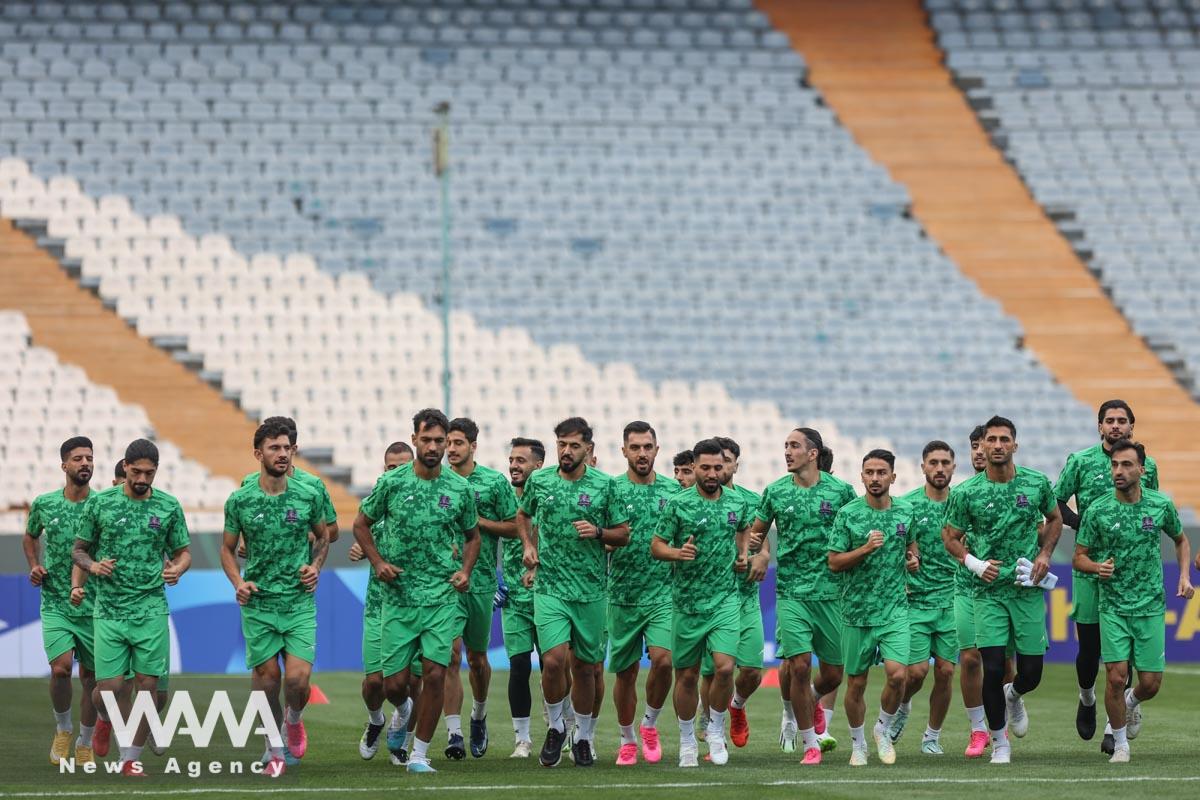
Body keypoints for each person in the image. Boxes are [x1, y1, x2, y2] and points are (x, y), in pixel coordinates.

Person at [352, 409, 481, 774]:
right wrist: (378, 562)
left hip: (441, 597)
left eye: (440, 441)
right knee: (394, 685)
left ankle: (421, 755)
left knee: (435, 674)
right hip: (397, 597)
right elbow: (361, 523)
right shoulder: (392, 484)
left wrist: (465, 570)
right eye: (427, 440)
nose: (434, 446)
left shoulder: (460, 489)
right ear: (415, 440)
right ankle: (402, 712)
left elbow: (473, 537)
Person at [943, 416, 1063, 765]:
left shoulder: (1036, 483)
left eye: (1004, 439)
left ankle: (1015, 695)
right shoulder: (967, 492)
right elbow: (949, 536)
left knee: (1031, 673)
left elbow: (1054, 519)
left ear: (1015, 445)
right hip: (988, 593)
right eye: (990, 440)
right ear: (981, 446)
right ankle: (999, 744)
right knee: (992, 667)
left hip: (1025, 590)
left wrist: (1044, 554)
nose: (997, 445)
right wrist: (974, 563)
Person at [72, 439, 191, 776]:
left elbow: (183, 552)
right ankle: (107, 719)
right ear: (124, 466)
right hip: (108, 610)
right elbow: (79, 550)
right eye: (136, 471)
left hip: (150, 607)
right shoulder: (100, 504)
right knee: (107, 690)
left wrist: (177, 568)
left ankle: (130, 758)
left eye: (149, 473)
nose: (142, 478)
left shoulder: (168, 507)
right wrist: (92, 566)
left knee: (149, 686)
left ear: (156, 471)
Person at [517, 417, 630, 767]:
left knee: (585, 667)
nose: (566, 451)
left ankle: (582, 734)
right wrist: (528, 546)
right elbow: (523, 516)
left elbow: (623, 534)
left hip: (592, 591)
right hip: (550, 587)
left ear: (589, 449)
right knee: (552, 661)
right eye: (562, 445)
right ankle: (555, 726)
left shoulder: (606, 486)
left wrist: (598, 532)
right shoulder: (540, 480)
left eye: (574, 445)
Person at [220, 421, 330, 777]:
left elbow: (324, 536)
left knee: (297, 681)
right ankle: (273, 745)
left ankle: (293, 719)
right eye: (274, 448)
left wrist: (315, 565)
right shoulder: (240, 499)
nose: (282, 453)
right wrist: (238, 581)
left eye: (287, 448)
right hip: (259, 603)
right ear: (258, 454)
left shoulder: (308, 494)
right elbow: (226, 548)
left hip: (298, 602)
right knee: (267, 679)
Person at [1072, 439, 1192, 763]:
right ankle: (1121, 744)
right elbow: (1078, 558)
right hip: (1112, 606)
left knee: (1150, 683)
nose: (1119, 471)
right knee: (1114, 674)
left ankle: (1131, 701)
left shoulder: (1160, 505)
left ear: (1142, 469)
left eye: (1126, 465)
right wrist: (1097, 567)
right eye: (1114, 465)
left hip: (1151, 604)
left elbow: (1181, 541)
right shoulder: (1097, 510)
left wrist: (1184, 576)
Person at [1054, 400, 1159, 751]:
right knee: (1090, 648)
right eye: (1109, 421)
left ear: (1132, 426)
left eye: (1121, 421)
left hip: (1129, 576)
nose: (1115, 426)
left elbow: (1154, 509)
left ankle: (1115, 729)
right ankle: (1086, 697)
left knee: (1121, 657)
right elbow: (1054, 503)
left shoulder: (1148, 466)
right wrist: (1079, 522)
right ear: (1100, 427)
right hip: (1089, 570)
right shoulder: (1081, 462)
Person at [750, 428, 856, 763]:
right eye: (785, 446)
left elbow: (858, 524)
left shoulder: (841, 491)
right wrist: (759, 551)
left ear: (813, 453)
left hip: (832, 593)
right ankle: (810, 743)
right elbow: (756, 532)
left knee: (834, 674)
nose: (787, 451)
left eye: (794, 446)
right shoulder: (775, 492)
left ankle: (807, 701)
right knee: (797, 666)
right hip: (791, 591)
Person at [651, 438, 751, 768]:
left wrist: (742, 556)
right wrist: (676, 553)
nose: (711, 473)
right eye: (705, 467)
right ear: (694, 468)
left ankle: (716, 730)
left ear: (726, 468)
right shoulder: (678, 504)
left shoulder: (737, 503)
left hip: (725, 600)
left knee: (724, 668)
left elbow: (744, 530)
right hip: (686, 603)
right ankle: (685, 740)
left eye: (717, 467)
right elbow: (657, 546)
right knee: (688, 676)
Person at [828, 449, 918, 766]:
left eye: (882, 472)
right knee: (856, 683)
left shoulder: (906, 512)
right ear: (862, 476)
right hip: (856, 612)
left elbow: (911, 546)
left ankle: (882, 729)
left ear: (893, 476)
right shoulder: (848, 515)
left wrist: (913, 558)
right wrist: (865, 549)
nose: (875, 478)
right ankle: (858, 744)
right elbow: (834, 562)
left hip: (894, 609)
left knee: (898, 676)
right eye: (870, 472)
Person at [443, 418, 519, 760]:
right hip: (443, 585)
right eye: (448, 442)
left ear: (473, 445)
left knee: (476, 659)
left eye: (458, 442)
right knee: (450, 655)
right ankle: (454, 733)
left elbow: (515, 526)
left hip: (482, 581)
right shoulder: (436, 481)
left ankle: (479, 713)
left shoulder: (493, 483)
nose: (451, 449)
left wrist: (478, 523)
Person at [608, 421, 680, 766]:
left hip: (664, 593)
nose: (641, 453)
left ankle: (649, 724)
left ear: (656, 450)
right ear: (624, 451)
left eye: (647, 447)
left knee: (664, 660)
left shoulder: (673, 492)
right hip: (621, 594)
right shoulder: (611, 490)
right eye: (634, 447)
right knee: (626, 673)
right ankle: (627, 739)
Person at [25, 436, 98, 765]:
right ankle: (64, 729)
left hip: (95, 604)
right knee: (60, 669)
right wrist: (34, 565)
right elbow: (30, 536)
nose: (85, 463)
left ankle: (85, 740)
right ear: (64, 465)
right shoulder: (45, 503)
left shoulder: (103, 504)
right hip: (55, 601)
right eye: (78, 458)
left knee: (93, 678)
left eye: (89, 458)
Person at [348, 442, 418, 763]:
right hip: (379, 605)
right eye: (392, 467)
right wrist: (363, 551)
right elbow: (362, 533)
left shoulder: (427, 505)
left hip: (417, 604)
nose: (398, 472)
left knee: (410, 682)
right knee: (375, 682)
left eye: (404, 465)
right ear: (384, 469)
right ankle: (377, 721)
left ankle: (402, 740)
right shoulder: (376, 505)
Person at [698, 438, 767, 751]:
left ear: (736, 465)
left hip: (744, 597)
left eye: (726, 461)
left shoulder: (752, 501)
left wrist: (763, 556)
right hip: (710, 598)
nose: (720, 467)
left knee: (752, 671)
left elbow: (760, 541)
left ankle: (736, 706)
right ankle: (715, 728)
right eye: (715, 461)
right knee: (714, 671)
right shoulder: (694, 500)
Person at [892, 441, 959, 754]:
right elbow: (895, 550)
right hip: (916, 601)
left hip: (953, 600)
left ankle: (931, 736)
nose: (940, 468)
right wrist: (907, 560)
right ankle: (903, 704)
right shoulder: (906, 506)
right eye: (933, 462)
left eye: (945, 462)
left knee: (946, 672)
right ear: (923, 468)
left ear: (954, 467)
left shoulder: (962, 503)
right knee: (915, 672)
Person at [501, 437, 545, 758]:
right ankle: (523, 739)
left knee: (554, 667)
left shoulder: (550, 497)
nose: (514, 466)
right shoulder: (502, 495)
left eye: (522, 461)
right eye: (512, 460)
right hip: (514, 598)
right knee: (518, 667)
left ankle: (562, 727)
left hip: (549, 596)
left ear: (538, 466)